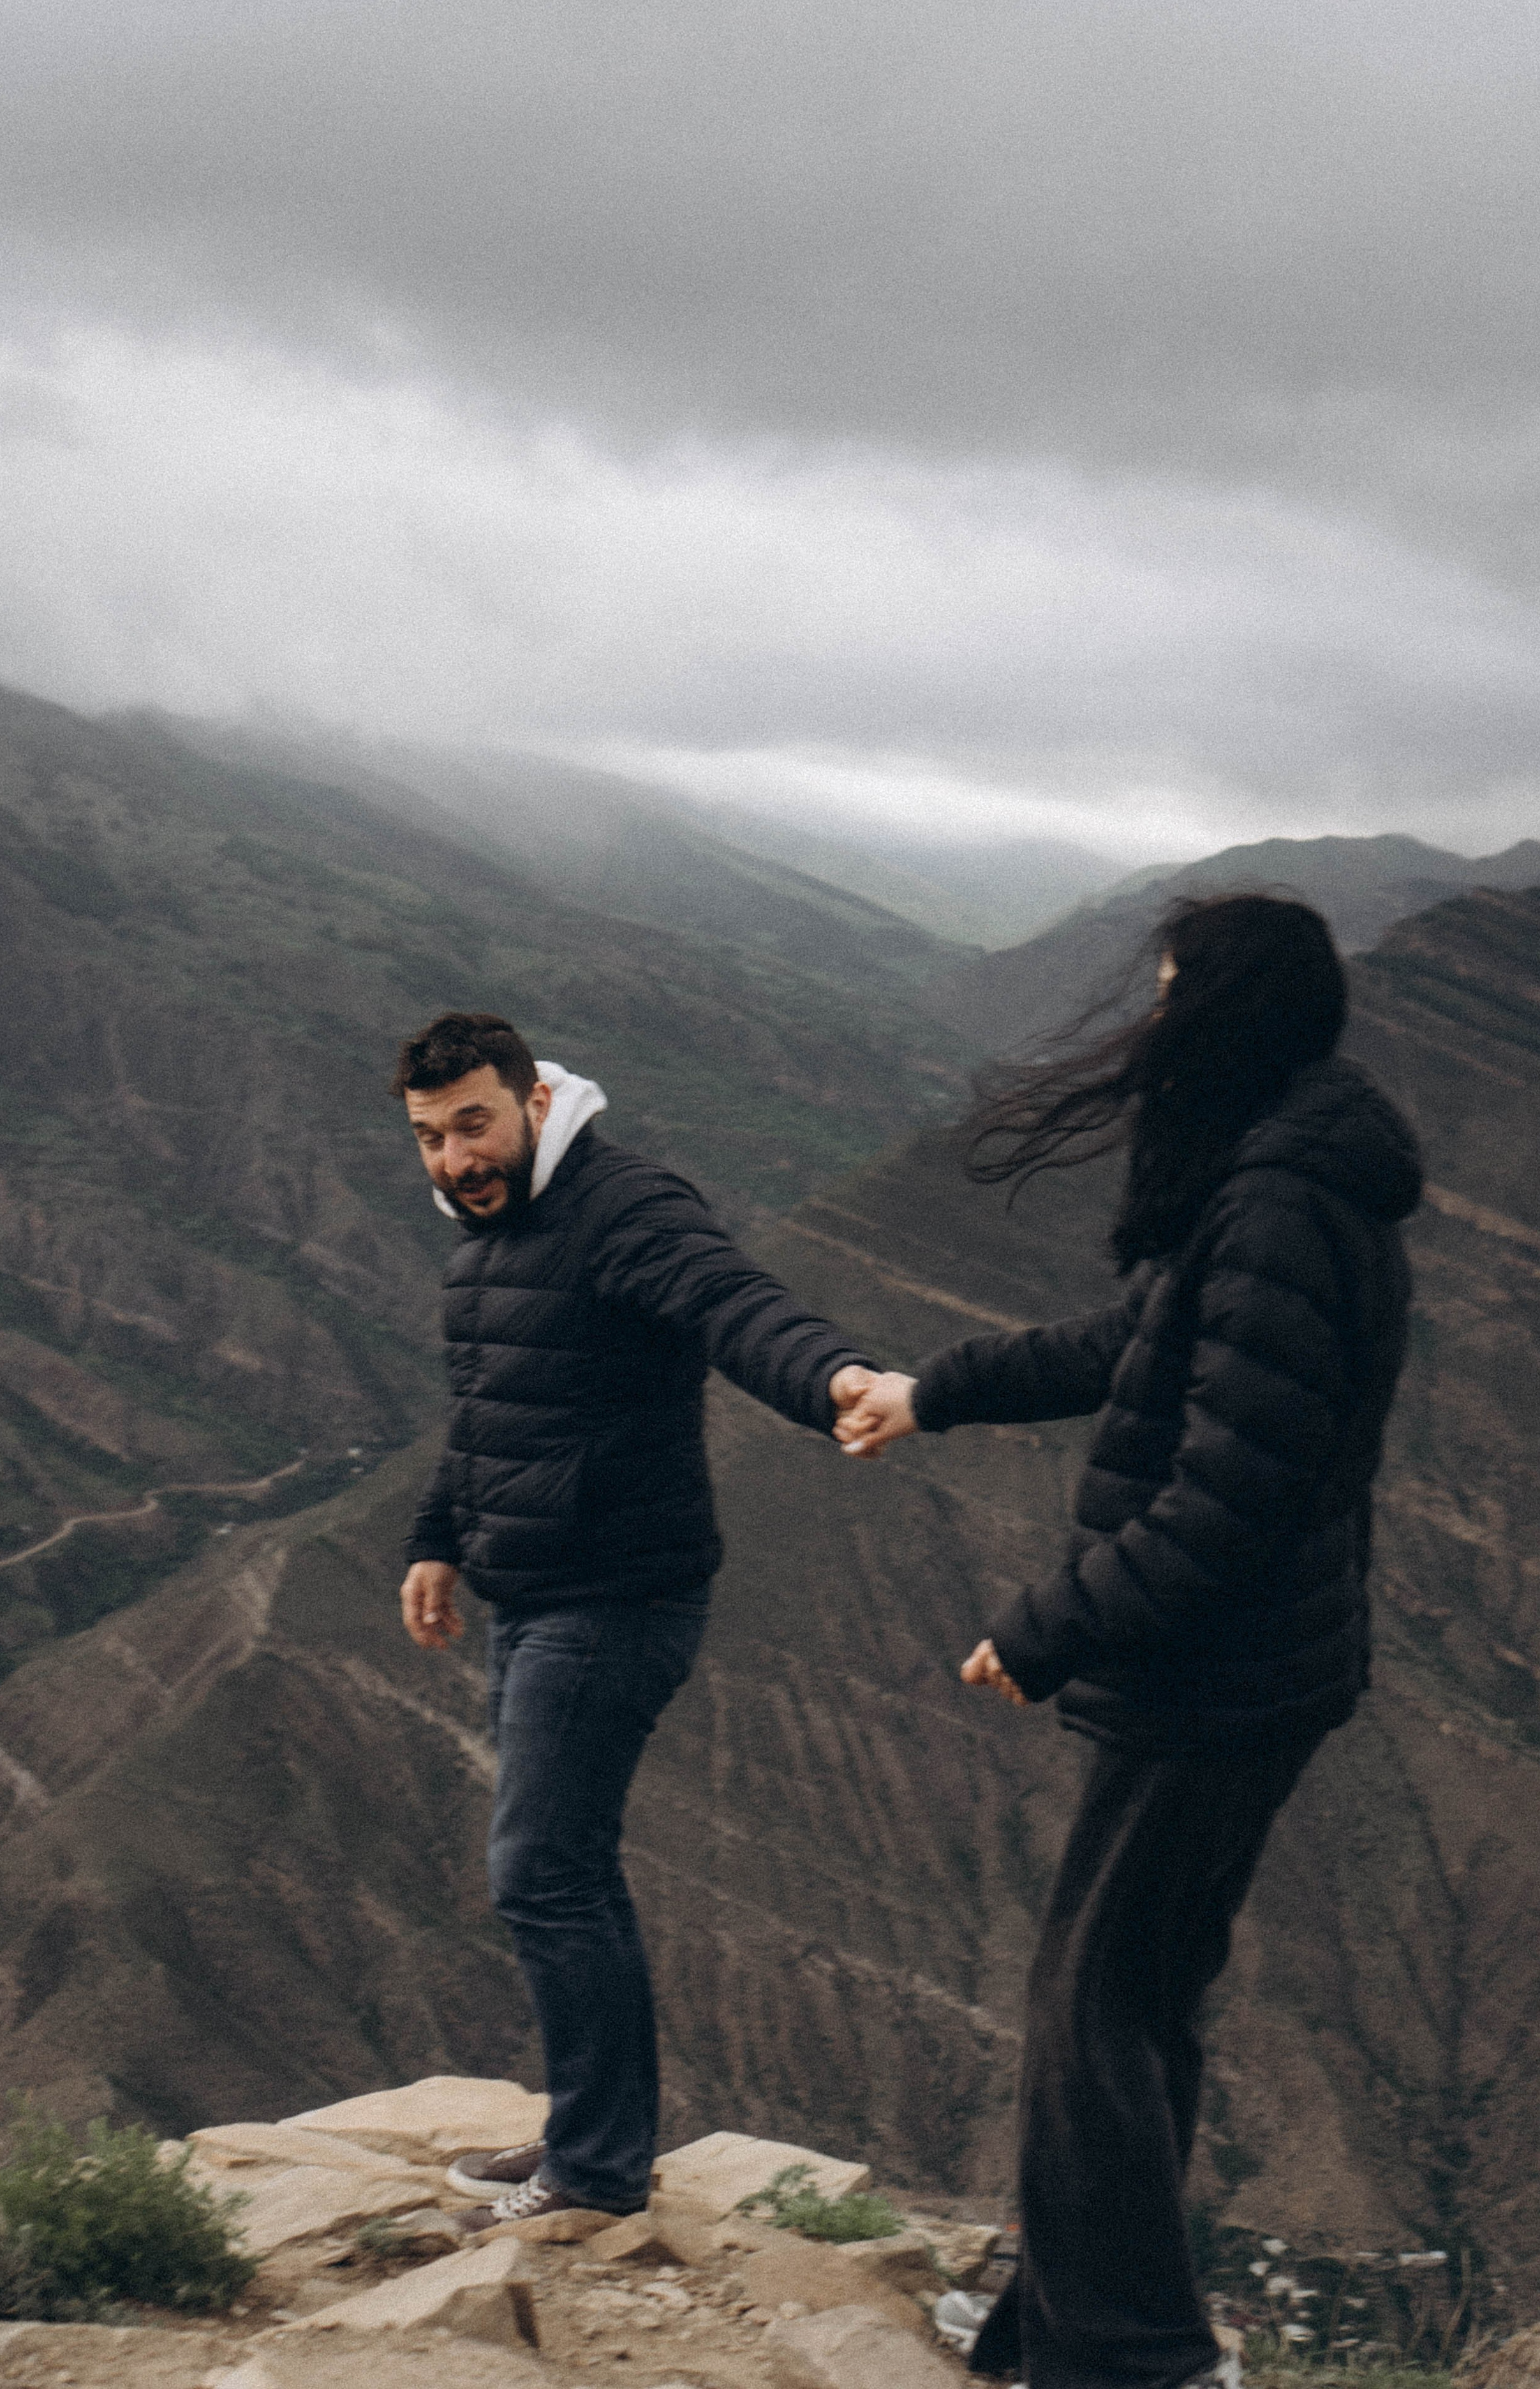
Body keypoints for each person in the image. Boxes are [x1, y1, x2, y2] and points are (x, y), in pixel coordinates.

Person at [834, 895, 1422, 2389]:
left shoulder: (1280, 1208)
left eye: (1168, 996)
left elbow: (1225, 1501)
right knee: (1135, 2000)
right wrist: (930, 1393)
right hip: (1240, 1671)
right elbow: (1124, 1346)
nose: (1149, 1025)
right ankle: (1073, 2323)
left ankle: (1138, 2359)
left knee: (1090, 2008)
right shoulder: (1272, 1180)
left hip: (1215, 1679)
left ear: (1221, 1015)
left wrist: (1047, 1626)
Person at [393, 1011, 877, 2226]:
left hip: (616, 1599)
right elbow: (497, 1405)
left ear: (535, 1105)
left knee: (539, 1873)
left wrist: (834, 1379)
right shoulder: (497, 1240)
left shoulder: (623, 1207)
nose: (457, 1159)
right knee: (568, 1870)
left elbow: (736, 1305)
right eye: (432, 1137)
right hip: (534, 1594)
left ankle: (595, 2173)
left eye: (474, 1125)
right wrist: (437, 1538)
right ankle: (586, 2137)